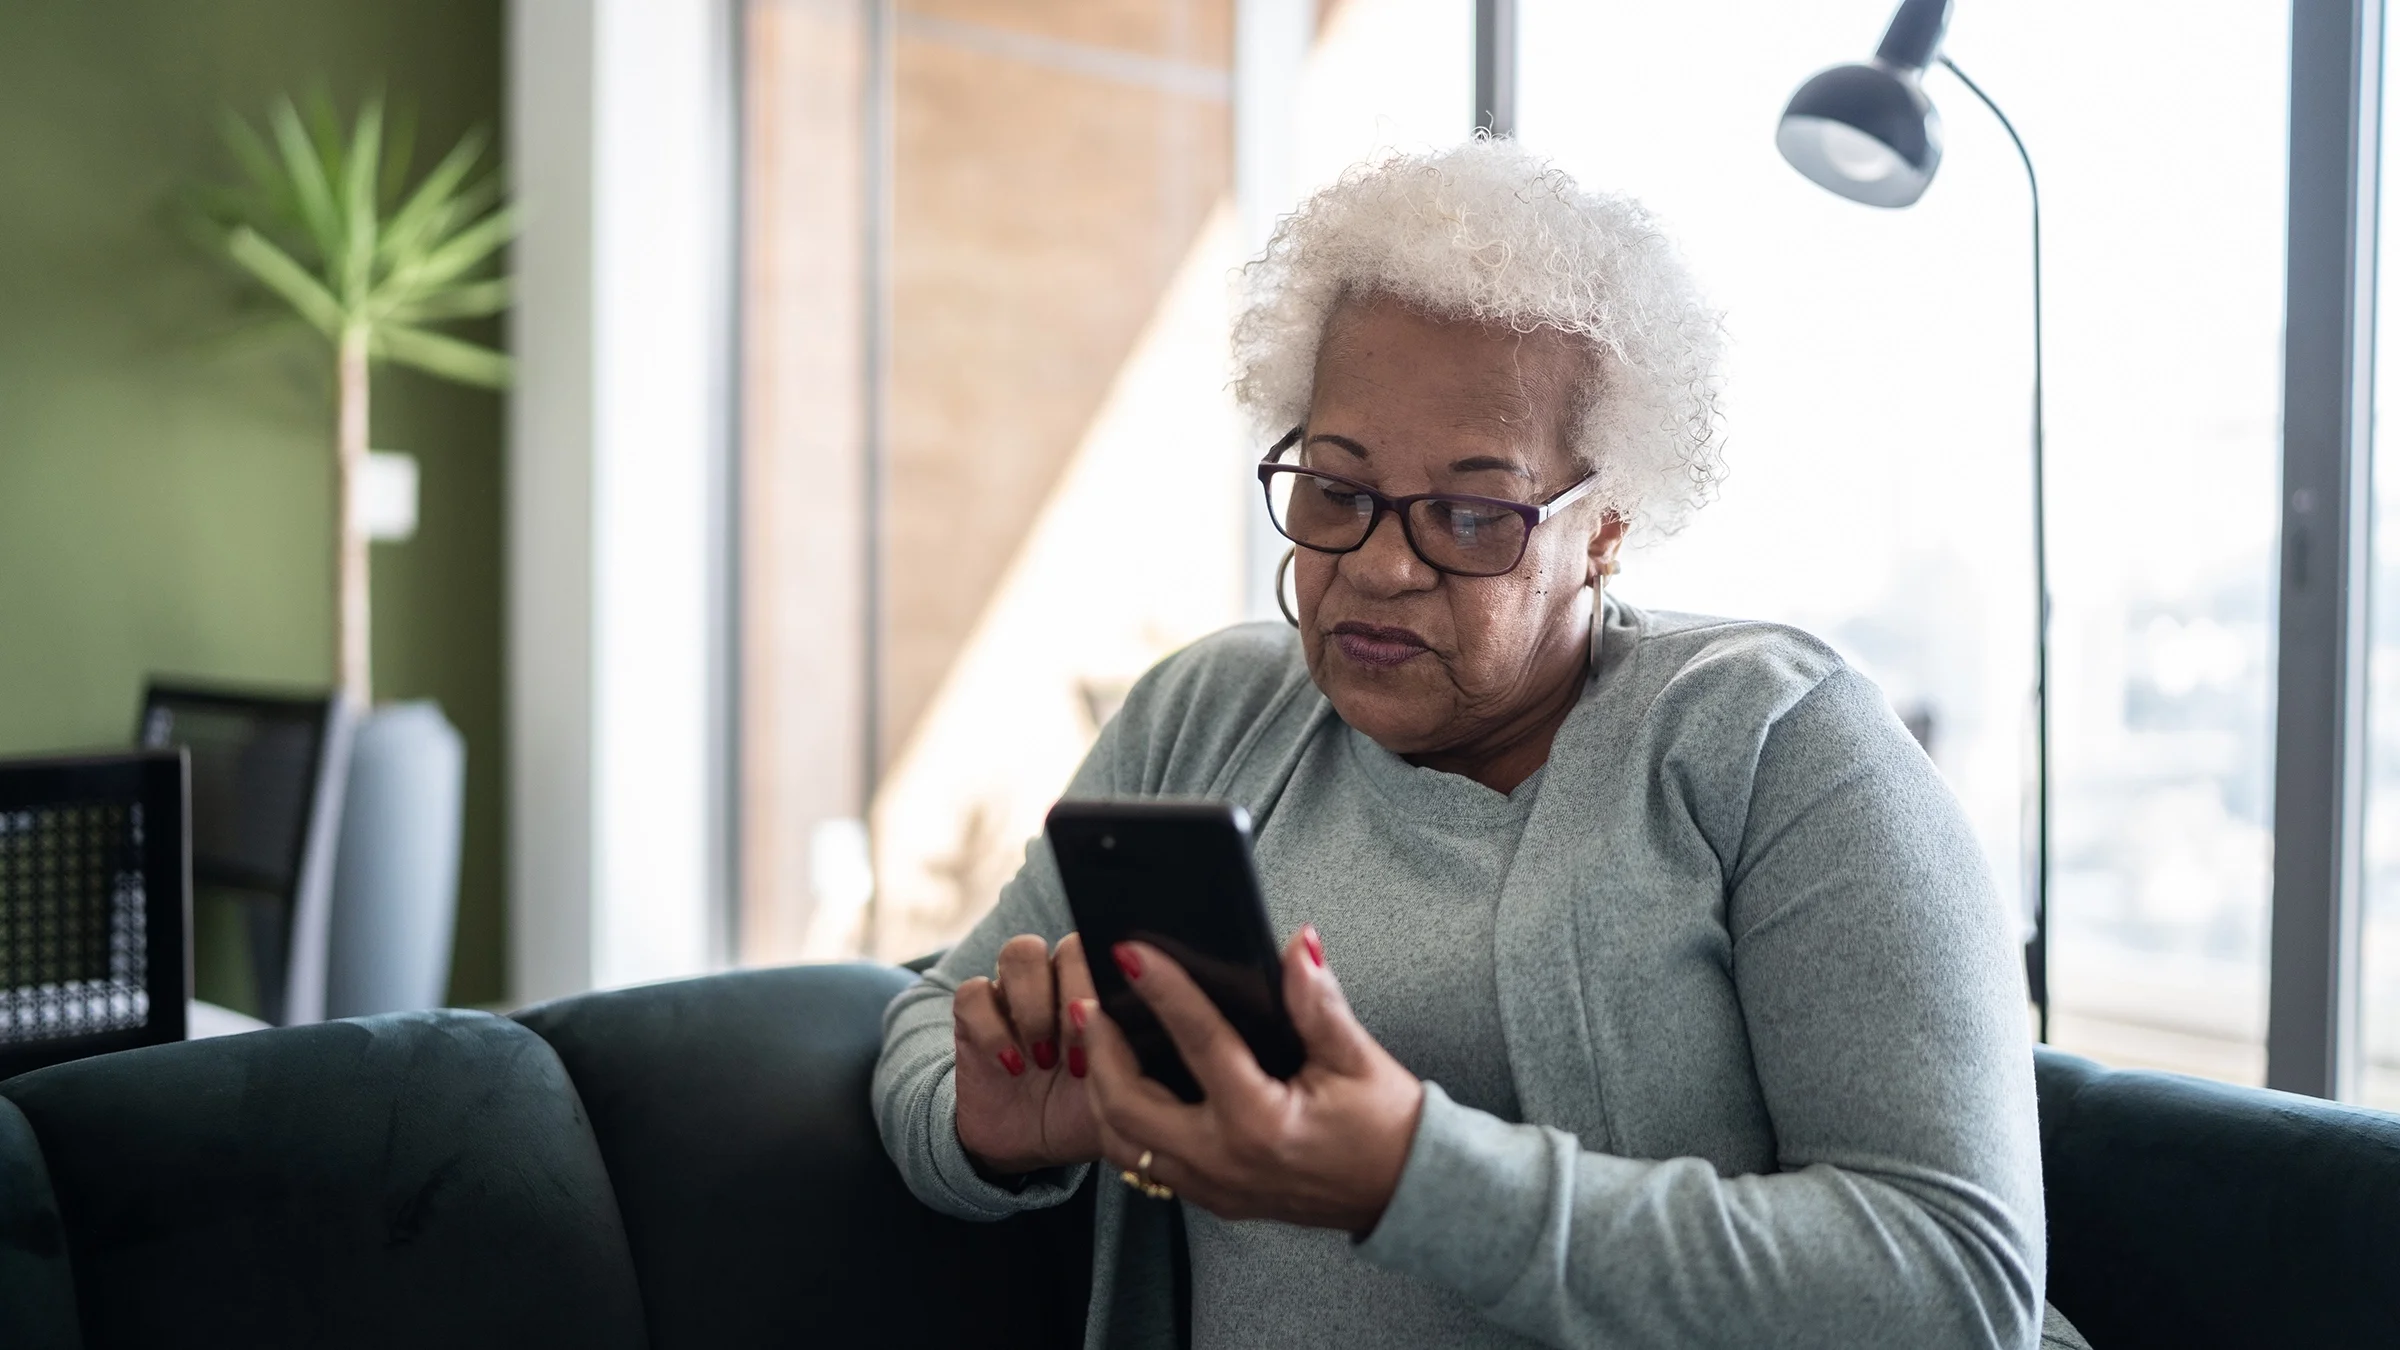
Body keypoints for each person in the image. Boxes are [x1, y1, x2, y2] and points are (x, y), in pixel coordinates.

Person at [874, 138, 2062, 1349]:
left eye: (1471, 513)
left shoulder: (1776, 743)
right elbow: (928, 1020)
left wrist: (1409, 1176)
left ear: (1604, 526)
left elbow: (1954, 1287)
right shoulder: (1206, 713)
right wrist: (994, 1129)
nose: (1380, 566)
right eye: (1336, 490)